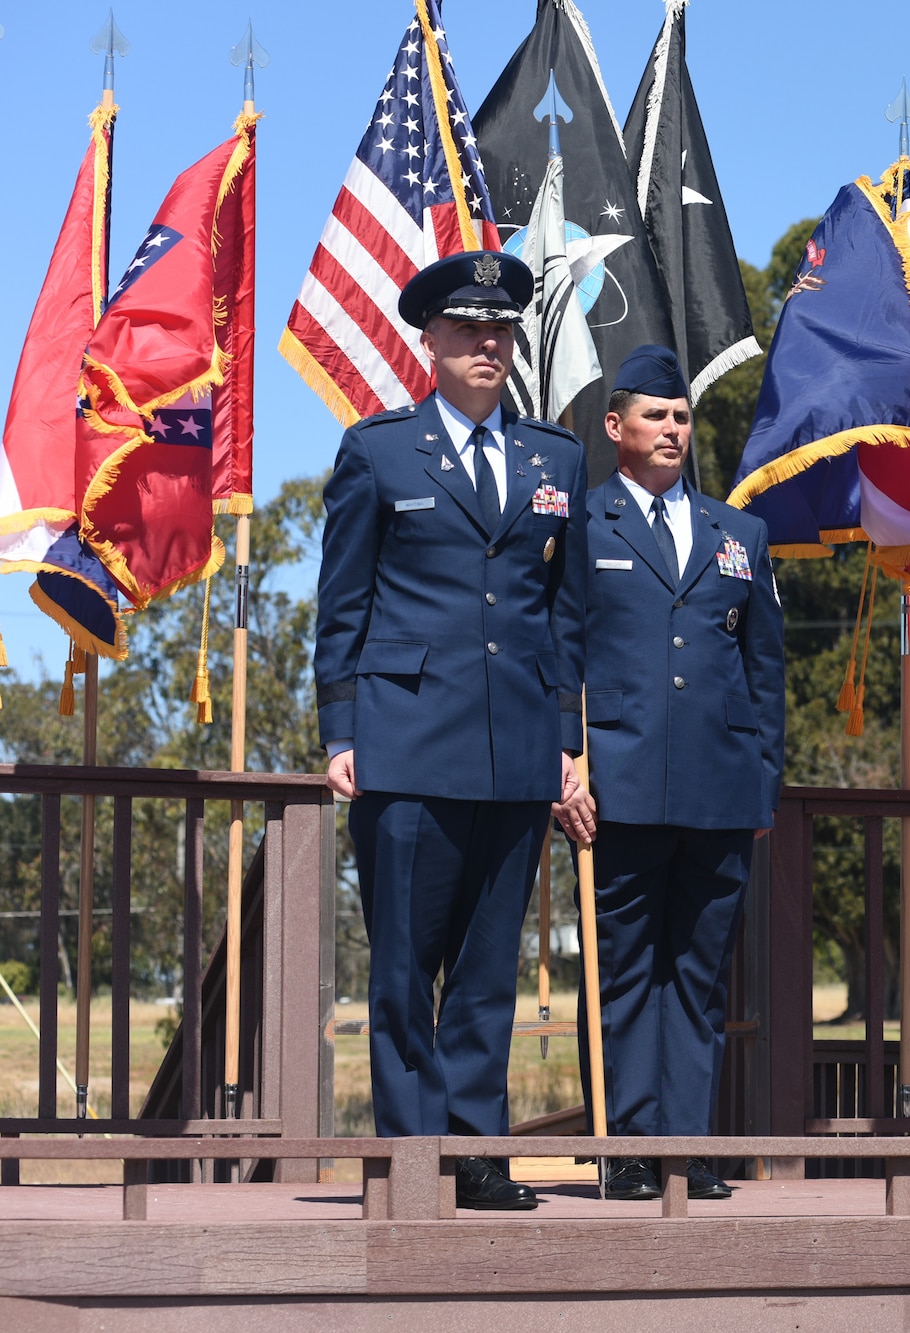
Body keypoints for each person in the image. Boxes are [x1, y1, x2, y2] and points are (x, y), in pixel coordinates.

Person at [316, 251, 589, 1212]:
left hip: (516, 750)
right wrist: (339, 727)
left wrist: (565, 740)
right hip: (405, 743)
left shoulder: (556, 459)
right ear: (429, 341)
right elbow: (341, 603)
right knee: (402, 970)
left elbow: (565, 612)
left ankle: (478, 1157)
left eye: (502, 330)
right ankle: (413, 1164)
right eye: (468, 330)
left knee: (484, 976)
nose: (487, 344)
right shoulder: (380, 451)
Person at [551, 345, 785, 1204]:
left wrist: (765, 780)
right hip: (614, 785)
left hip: (720, 791)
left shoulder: (740, 535)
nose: (673, 430)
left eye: (681, 416)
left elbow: (766, 672)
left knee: (695, 974)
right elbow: (560, 651)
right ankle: (628, 1148)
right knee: (621, 970)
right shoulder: (583, 524)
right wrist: (562, 759)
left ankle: (685, 1147)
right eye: (655, 415)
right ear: (615, 427)